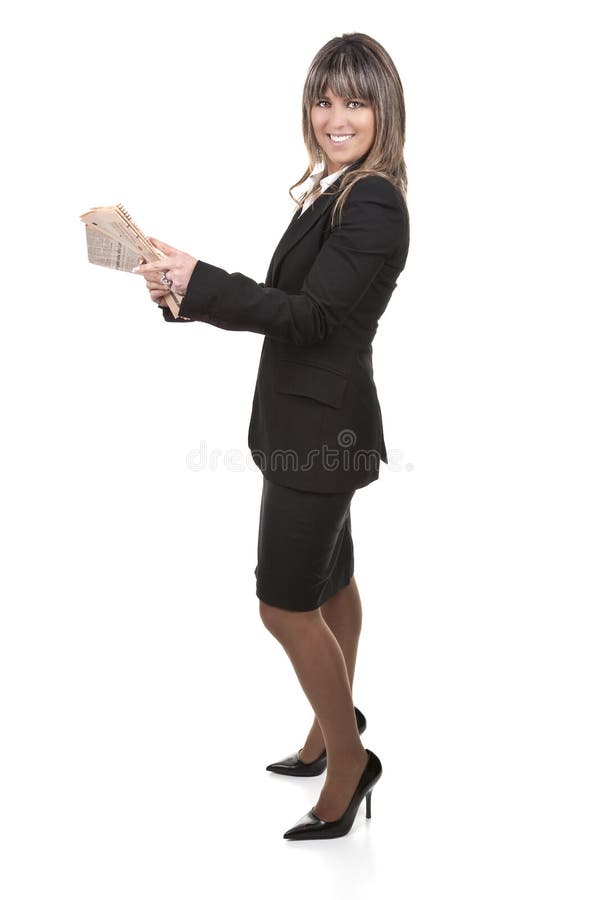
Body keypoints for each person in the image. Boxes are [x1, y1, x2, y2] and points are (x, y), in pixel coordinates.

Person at [133, 32, 410, 840]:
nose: (335, 116)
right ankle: (331, 731)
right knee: (330, 584)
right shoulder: (338, 191)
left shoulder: (375, 200)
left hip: (319, 436)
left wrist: (203, 283)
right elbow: (287, 304)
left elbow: (313, 319)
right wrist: (183, 287)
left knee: (282, 608)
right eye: (324, 99)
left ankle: (352, 762)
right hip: (313, 423)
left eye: (354, 100)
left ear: (383, 109)